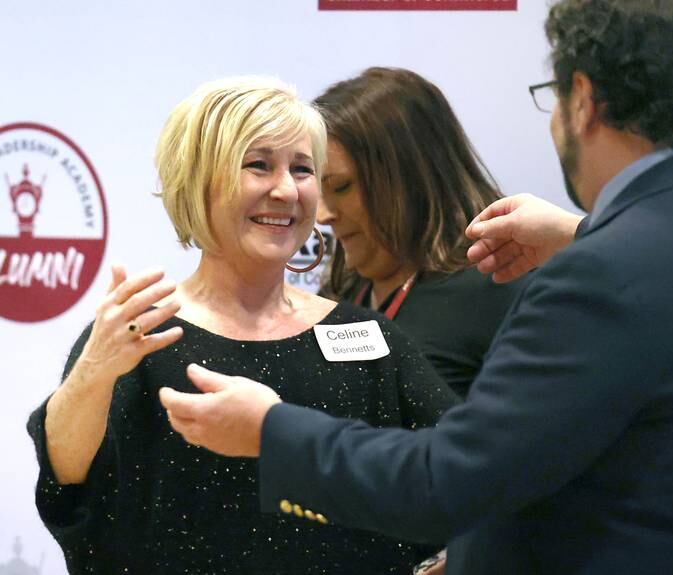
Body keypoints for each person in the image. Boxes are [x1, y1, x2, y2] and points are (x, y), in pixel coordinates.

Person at [160, 1, 673, 573]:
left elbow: (445, 483)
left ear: (583, 98)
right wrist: (585, 232)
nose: (307, 201)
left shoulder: (595, 280)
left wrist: (270, 432)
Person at [26, 76, 457, 574]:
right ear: (197, 181)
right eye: (258, 166)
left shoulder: (370, 338)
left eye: (302, 169)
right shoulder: (140, 334)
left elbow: (468, 471)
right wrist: (92, 374)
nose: (286, 190)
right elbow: (65, 480)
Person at [315, 66, 534, 398]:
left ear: (410, 178)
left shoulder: (500, 284)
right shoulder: (338, 292)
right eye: (316, 188)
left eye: (342, 187)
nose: (322, 215)